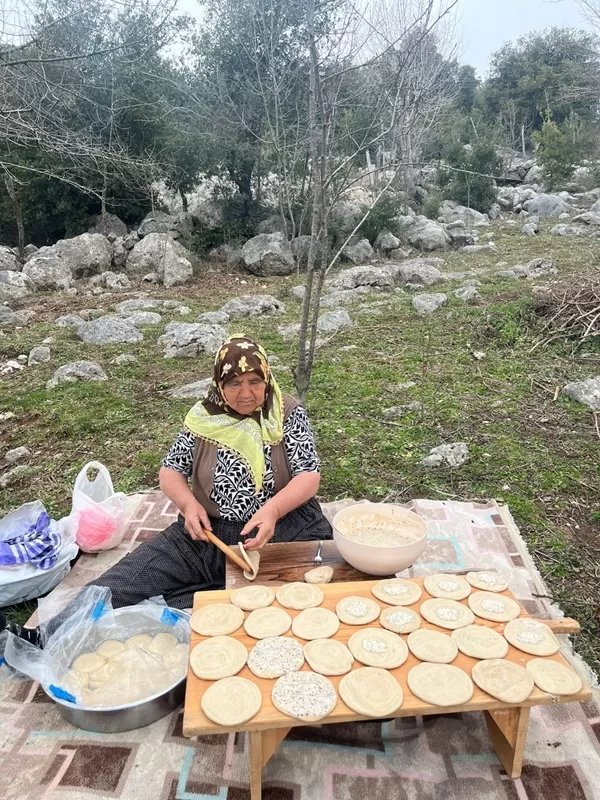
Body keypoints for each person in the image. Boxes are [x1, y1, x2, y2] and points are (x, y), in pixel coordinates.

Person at [0, 334, 332, 643]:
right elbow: (171, 471)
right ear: (220, 383)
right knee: (124, 583)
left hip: (279, 527)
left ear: (266, 379)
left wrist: (272, 511)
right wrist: (188, 505)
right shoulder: (204, 418)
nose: (245, 393)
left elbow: (308, 475)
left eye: (254, 382)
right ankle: (45, 638)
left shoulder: (287, 413)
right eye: (234, 383)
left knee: (322, 587)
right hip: (207, 533)